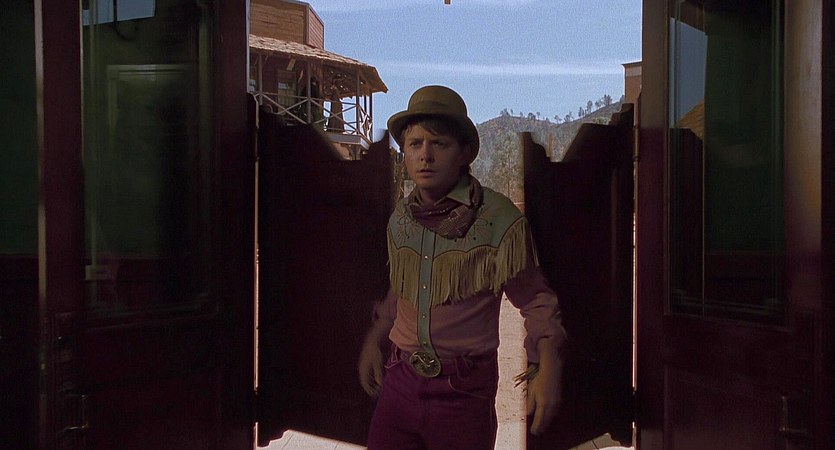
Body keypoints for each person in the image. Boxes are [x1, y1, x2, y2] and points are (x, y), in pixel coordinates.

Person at [357, 85, 567, 450]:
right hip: (399, 381)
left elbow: (536, 301)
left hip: (463, 392)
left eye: (439, 144)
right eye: (415, 144)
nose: (425, 155)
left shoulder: (497, 219)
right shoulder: (402, 218)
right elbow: (401, 290)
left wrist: (548, 364)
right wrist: (375, 339)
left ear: (464, 153)